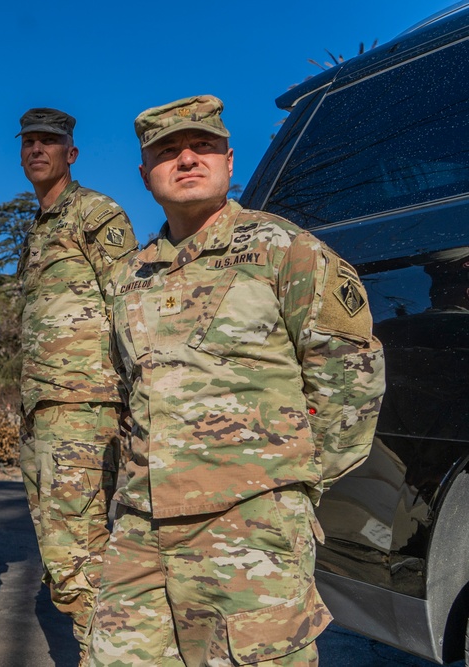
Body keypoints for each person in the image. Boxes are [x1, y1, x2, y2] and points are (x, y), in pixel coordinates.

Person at [90, 95, 386, 666]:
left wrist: (284, 487)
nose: (187, 159)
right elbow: (129, 390)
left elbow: (351, 381)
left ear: (229, 162)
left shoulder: (285, 251)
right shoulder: (129, 274)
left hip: (249, 526)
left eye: (203, 146)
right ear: (144, 174)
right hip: (141, 529)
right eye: (167, 151)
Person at [15, 107, 138, 660]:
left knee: (77, 553)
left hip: (85, 407)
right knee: (58, 551)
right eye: (29, 142)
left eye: (50, 141)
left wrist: (139, 396)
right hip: (41, 410)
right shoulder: (38, 230)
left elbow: (130, 304)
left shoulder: (95, 212)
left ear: (72, 152)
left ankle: (100, 654)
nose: (37, 149)